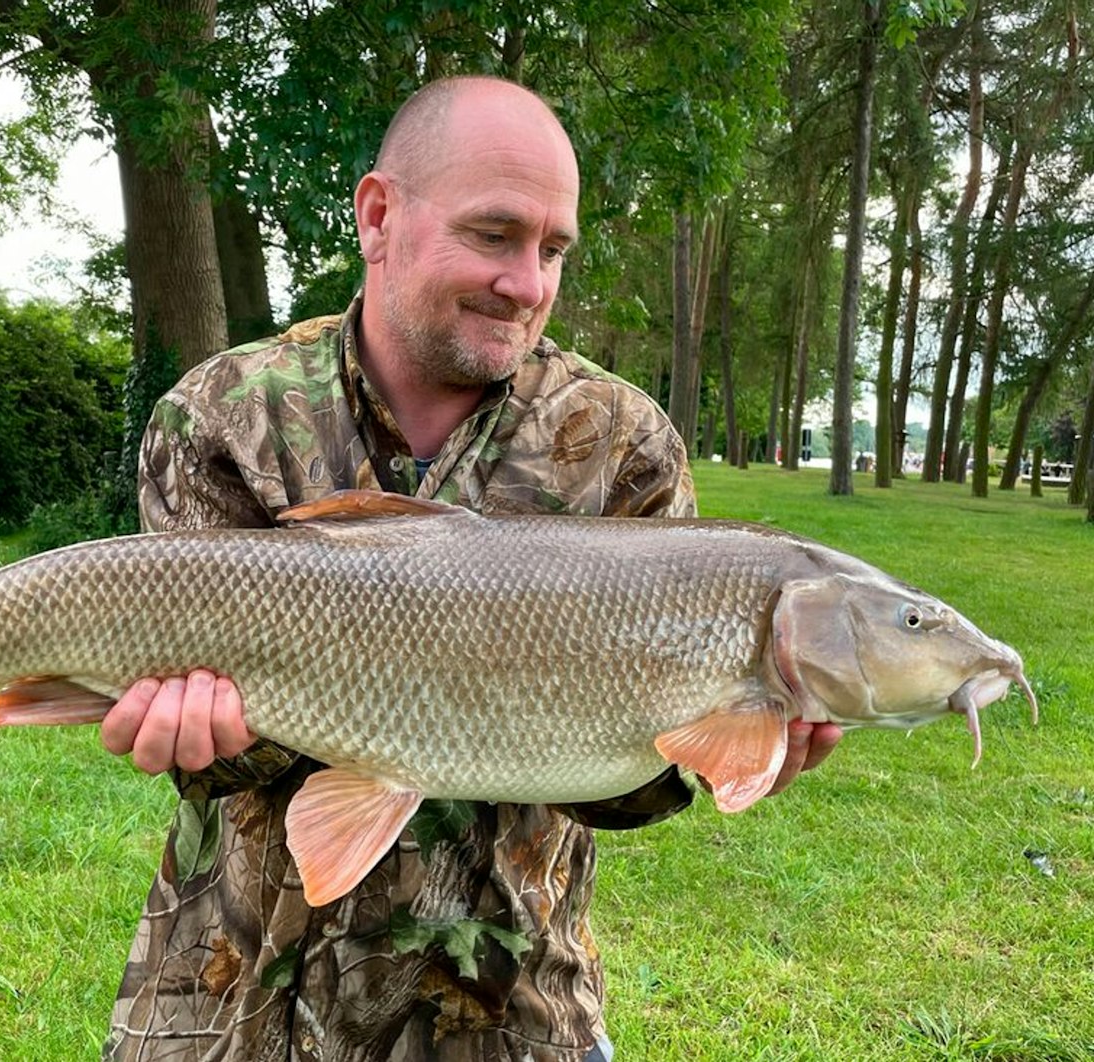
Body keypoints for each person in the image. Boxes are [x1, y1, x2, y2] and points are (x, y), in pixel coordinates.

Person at [99, 75, 840, 1062]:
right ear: (377, 216)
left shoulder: (623, 444)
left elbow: (621, 793)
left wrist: (719, 739)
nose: (528, 284)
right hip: (241, 1001)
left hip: (514, 1009)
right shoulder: (224, 412)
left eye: (553, 250)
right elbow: (216, 760)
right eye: (494, 235)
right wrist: (204, 738)